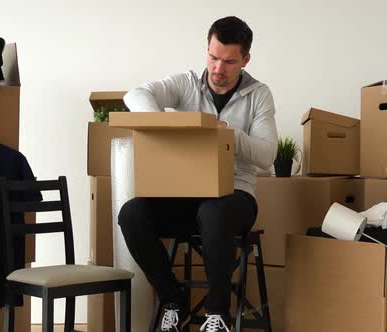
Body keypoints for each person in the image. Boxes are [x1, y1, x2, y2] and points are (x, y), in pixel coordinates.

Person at [119, 16, 278, 332]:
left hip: (236, 197)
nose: (218, 69)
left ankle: (217, 315)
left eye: (229, 62)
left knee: (214, 211)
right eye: (213, 57)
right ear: (207, 50)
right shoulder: (186, 83)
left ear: (245, 60)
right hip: (187, 195)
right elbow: (134, 94)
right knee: (132, 213)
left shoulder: (259, 94)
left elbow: (266, 155)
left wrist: (226, 134)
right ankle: (173, 299)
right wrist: (165, 124)